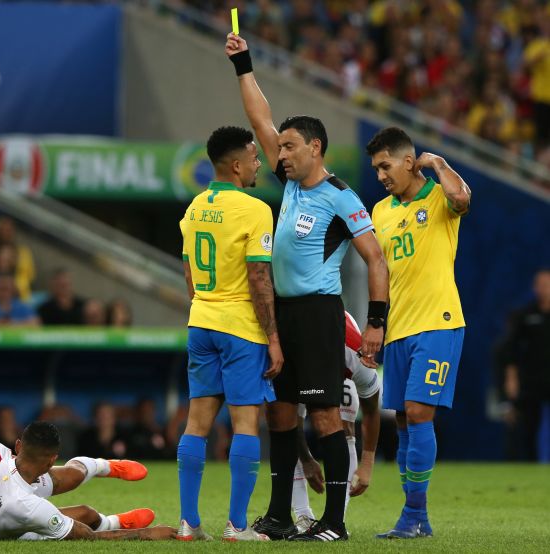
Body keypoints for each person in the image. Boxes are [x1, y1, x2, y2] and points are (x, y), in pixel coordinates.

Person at [225, 33, 388, 542]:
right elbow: (260, 119)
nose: (282, 152)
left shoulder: (342, 197)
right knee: (279, 412)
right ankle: (277, 517)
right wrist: (243, 65)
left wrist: (377, 324)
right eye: (283, 147)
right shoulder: (292, 182)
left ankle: (334, 523)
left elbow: (376, 260)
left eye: (291, 146)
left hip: (319, 313)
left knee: (323, 416)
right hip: (283, 315)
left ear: (315, 148)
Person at [177, 125, 283, 542]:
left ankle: (189, 523)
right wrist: (273, 338)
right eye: (256, 158)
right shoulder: (255, 210)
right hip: (240, 327)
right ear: (237, 165)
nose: (260, 163)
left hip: (201, 321)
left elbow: (188, 270)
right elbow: (259, 277)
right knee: (245, 425)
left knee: (196, 425)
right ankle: (237, 526)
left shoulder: (194, 207)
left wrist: (204, 305)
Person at [365, 126, 471, 539]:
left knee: (419, 411)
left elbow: (463, 199)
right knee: (404, 422)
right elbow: (381, 274)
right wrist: (376, 323)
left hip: (439, 322)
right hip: (399, 330)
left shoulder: (439, 197)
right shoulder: (381, 211)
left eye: (385, 166)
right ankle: (418, 519)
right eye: (376, 169)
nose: (381, 175)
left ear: (409, 161)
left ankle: (412, 515)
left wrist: (440, 163)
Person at [0, 421, 175, 541]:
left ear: (18, 446)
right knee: (84, 512)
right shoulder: (30, 508)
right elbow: (87, 536)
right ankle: (114, 522)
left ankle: (109, 466)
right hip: (9, 529)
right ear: (52, 460)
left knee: (80, 496)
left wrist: (0, 462)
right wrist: (148, 534)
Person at [291, 311, 381, 532]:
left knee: (345, 425)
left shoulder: (357, 357)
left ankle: (335, 518)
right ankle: (303, 516)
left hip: (337, 354)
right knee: (283, 422)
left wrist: (367, 464)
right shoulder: (293, 349)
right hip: (300, 356)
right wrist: (306, 459)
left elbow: (371, 410)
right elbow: (291, 421)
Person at [496, 268, 550, 461]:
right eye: (540, 285)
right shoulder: (524, 315)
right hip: (532, 380)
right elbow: (510, 349)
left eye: (547, 284)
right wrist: (511, 378)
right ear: (534, 288)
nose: (544, 289)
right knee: (528, 428)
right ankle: (529, 467)